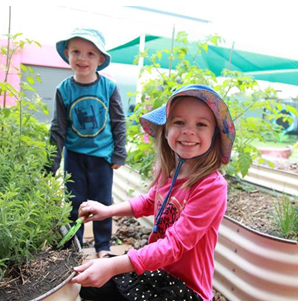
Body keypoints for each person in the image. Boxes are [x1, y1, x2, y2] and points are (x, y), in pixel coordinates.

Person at [71, 84, 236, 301]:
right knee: (89, 287)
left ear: (215, 136)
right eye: (179, 122)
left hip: (185, 288)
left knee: (105, 274)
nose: (188, 131)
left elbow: (174, 246)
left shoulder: (211, 187)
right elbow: (151, 202)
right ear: (166, 129)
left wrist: (112, 266)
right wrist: (108, 211)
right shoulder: (168, 170)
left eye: (201, 124)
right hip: (155, 270)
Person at [47, 28, 127, 258]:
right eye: (77, 52)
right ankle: (77, 246)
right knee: (74, 203)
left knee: (103, 202)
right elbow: (58, 128)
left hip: (102, 157)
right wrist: (52, 161)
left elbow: (118, 121)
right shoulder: (64, 89)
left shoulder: (109, 88)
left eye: (91, 54)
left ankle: (103, 247)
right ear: (67, 54)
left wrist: (119, 154)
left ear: (100, 59)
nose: (83, 58)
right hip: (74, 156)